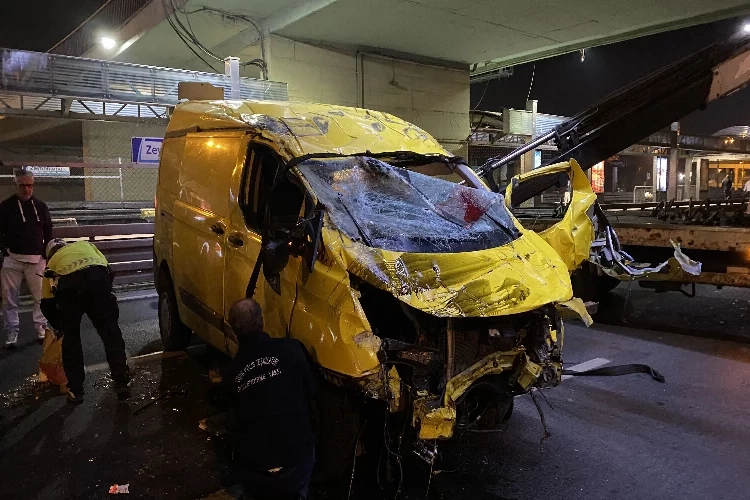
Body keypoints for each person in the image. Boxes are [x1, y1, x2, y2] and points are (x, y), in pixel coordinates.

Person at [223, 298, 316, 500]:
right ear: (262, 321)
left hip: (256, 468)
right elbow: (311, 393)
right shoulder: (291, 348)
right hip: (295, 460)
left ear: (234, 331)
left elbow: (234, 421)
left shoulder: (231, 373)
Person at [41, 238, 131, 403]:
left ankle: (76, 390)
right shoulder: (86, 246)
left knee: (71, 339)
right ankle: (121, 382)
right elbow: (108, 272)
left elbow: (46, 305)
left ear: (49, 254)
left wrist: (59, 326)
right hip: (97, 279)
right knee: (110, 332)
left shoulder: (51, 264)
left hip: (69, 288)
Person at [0, 169, 52, 348]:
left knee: (40, 297)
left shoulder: (41, 206)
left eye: (30, 185)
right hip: (12, 259)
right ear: (16, 185)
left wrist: (45, 254)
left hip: (36, 259)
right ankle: (12, 331)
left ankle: (41, 327)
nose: (27, 189)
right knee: (9, 298)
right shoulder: (5, 207)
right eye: (23, 185)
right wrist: (4, 252)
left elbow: (48, 230)